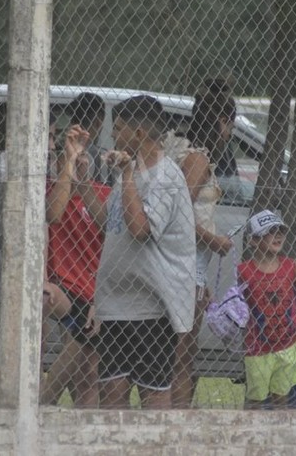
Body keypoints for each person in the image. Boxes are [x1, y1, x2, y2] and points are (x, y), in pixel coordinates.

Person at [0, 111, 70, 408]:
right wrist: (68, 167)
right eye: (51, 136)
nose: (54, 145)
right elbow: (51, 214)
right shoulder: (20, 174)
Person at [91, 95, 196, 409]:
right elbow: (108, 221)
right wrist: (82, 181)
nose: (113, 135)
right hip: (115, 303)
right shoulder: (133, 171)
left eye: (119, 128)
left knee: (153, 393)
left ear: (138, 134)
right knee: (111, 392)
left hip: (150, 306)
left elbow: (140, 230)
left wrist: (125, 176)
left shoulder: (165, 177)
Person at [165, 85, 237, 408]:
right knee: (182, 360)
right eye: (231, 124)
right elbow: (178, 213)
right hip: (184, 268)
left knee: (178, 356)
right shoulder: (197, 160)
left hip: (189, 267)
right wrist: (215, 240)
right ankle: (176, 427)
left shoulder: (180, 152)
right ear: (222, 121)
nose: (230, 132)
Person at [42, 117, 109, 408]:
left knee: (89, 371)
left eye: (82, 158)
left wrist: (100, 298)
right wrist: (67, 169)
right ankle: (43, 401)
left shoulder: (101, 197)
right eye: (68, 159)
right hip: (62, 288)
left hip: (94, 292)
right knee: (81, 327)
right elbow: (51, 214)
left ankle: (67, 415)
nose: (76, 163)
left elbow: (110, 249)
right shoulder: (51, 194)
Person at [238, 210, 296, 408]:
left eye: (280, 230)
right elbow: (240, 303)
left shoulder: (290, 266)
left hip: (287, 343)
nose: (278, 235)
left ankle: (280, 433)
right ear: (254, 240)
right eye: (270, 231)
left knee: (281, 396)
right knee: (255, 398)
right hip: (258, 346)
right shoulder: (244, 270)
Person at [188, 77, 238, 178]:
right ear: (223, 121)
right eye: (230, 129)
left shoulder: (191, 149)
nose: (230, 136)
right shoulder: (199, 158)